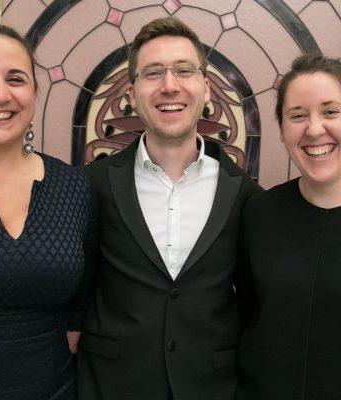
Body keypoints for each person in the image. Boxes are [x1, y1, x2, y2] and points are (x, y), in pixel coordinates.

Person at [77, 17, 260, 400]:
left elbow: (253, 304)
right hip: (112, 387)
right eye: (153, 73)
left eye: (184, 70)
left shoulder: (245, 195)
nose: (170, 85)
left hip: (213, 389)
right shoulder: (92, 184)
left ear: (206, 88)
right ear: (131, 93)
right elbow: (76, 293)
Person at [0, 25, 97, 399]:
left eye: (15, 79)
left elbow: (80, 308)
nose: (0, 94)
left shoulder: (74, 187)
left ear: (34, 94)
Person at [236, 55, 341, 400]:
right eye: (297, 115)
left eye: (330, 112)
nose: (314, 129)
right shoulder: (258, 213)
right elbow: (244, 316)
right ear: (281, 130)